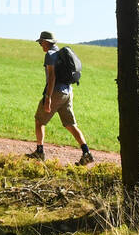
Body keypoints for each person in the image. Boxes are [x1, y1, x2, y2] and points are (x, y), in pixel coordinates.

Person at [26, 31, 93, 165]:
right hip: (68, 92)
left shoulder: (50, 55)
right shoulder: (61, 54)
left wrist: (48, 97)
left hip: (55, 92)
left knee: (39, 121)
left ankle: (39, 152)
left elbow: (52, 77)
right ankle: (86, 153)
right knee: (71, 125)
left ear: (46, 42)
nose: (40, 45)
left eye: (41, 42)